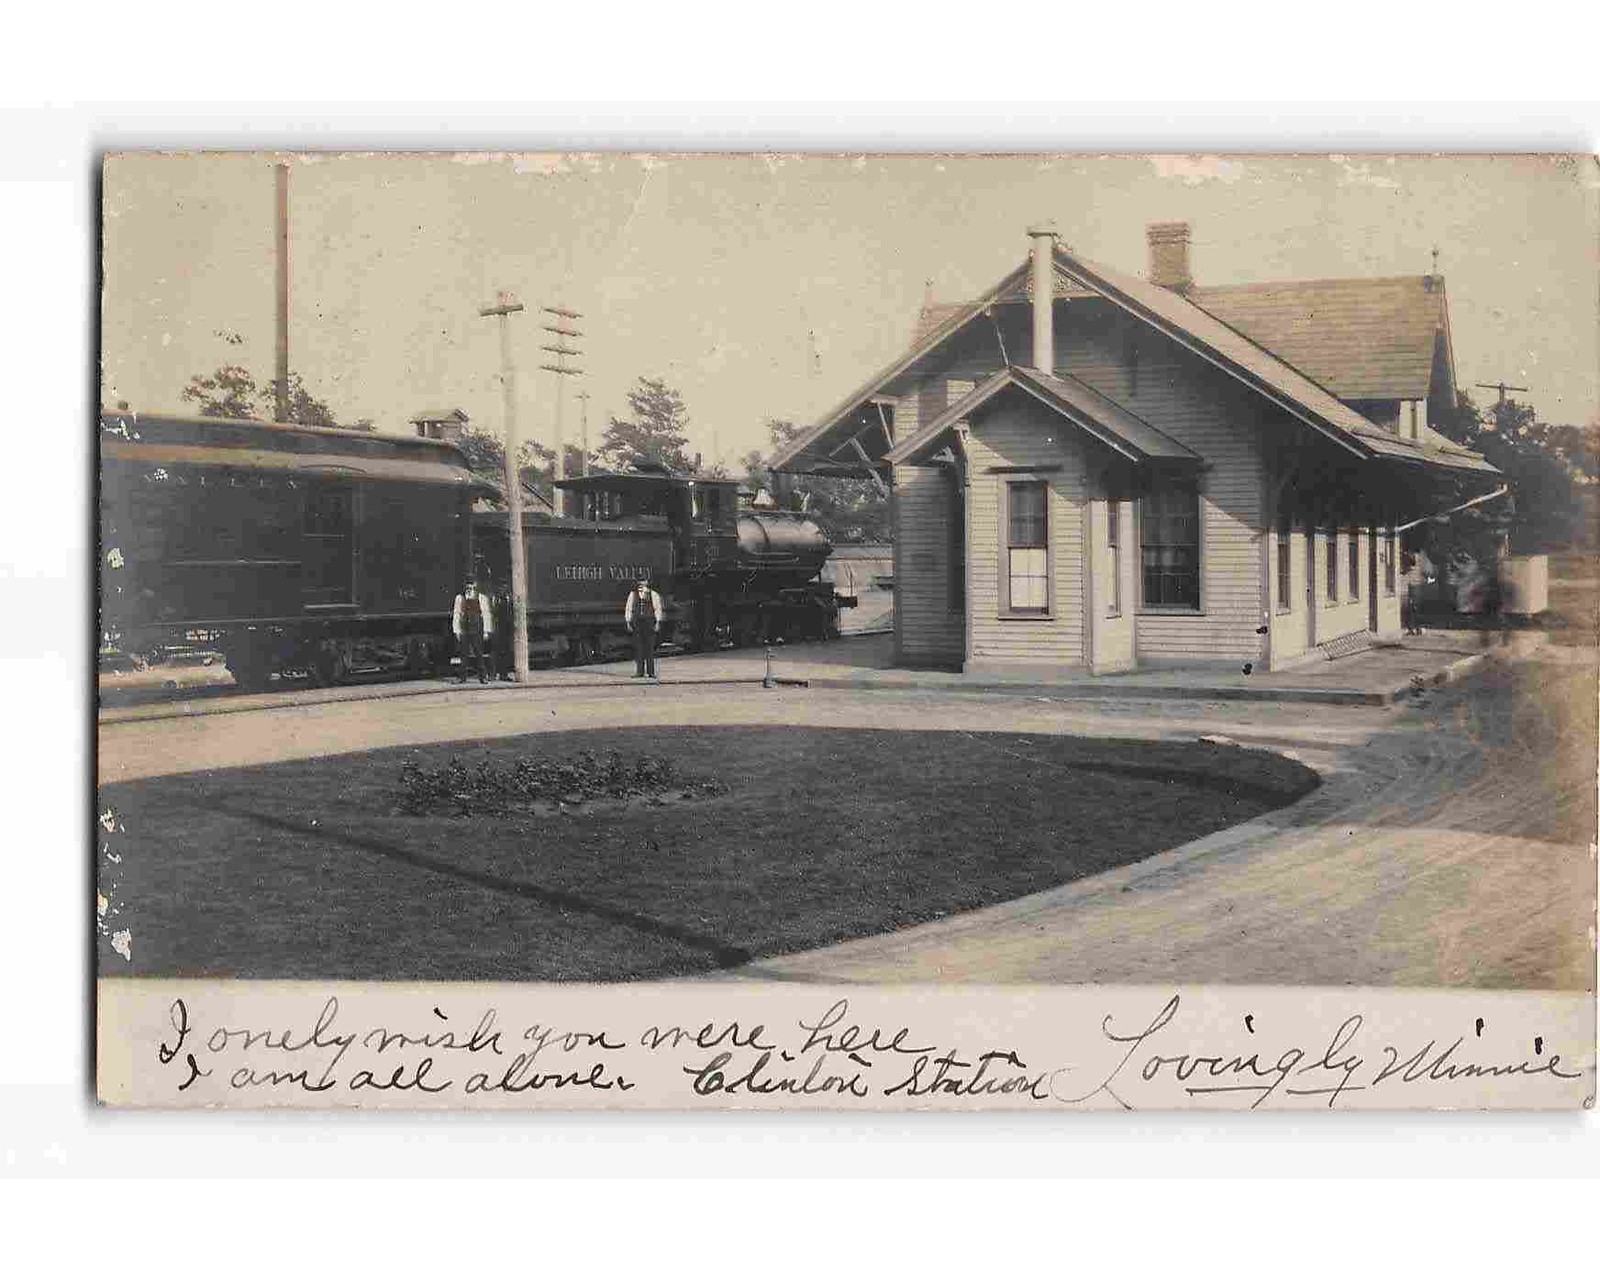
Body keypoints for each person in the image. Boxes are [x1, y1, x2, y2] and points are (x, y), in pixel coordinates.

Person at [452, 575, 494, 684]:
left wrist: (486, 631)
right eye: (468, 585)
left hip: (477, 629)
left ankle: (483, 677)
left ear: (475, 586)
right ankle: (462, 678)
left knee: (479, 654)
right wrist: (456, 630)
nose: (470, 588)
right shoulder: (459, 598)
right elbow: (457, 614)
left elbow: (486, 614)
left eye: (472, 585)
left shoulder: (481, 598)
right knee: (464, 655)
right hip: (465, 629)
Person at [623, 578, 663, 679]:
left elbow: (657, 608)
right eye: (640, 582)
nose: (641, 584)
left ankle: (651, 672)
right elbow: (628, 608)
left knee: (649, 648)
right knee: (638, 647)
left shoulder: (653, 594)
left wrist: (657, 622)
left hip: (649, 622)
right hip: (637, 622)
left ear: (647, 583)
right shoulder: (632, 594)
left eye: (643, 581)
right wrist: (628, 621)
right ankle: (639, 672)